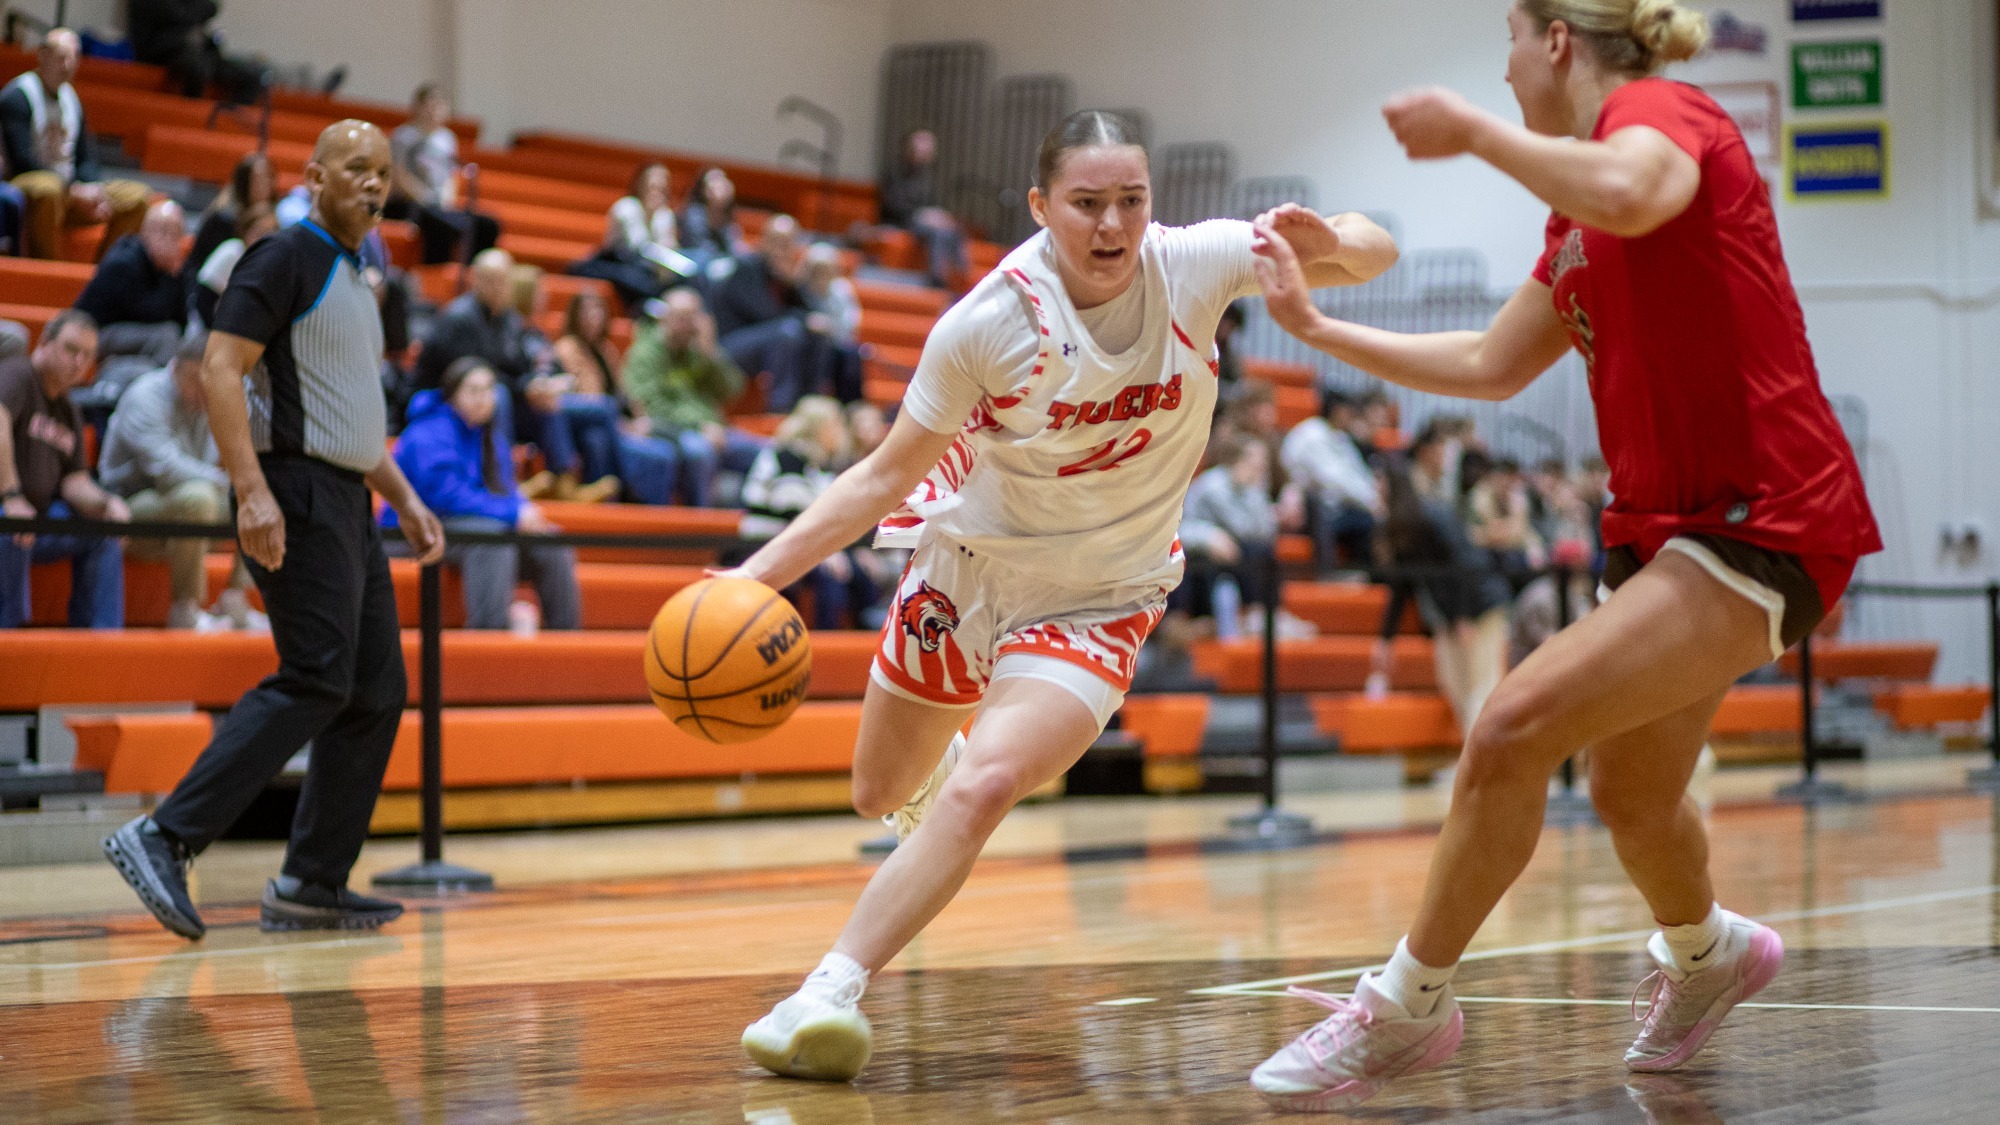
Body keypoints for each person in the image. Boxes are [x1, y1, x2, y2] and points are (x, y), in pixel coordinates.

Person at [1244, 1, 1882, 1108]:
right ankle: (1709, 952)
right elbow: (1493, 361)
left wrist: (1477, 137)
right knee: (1631, 796)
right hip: (1655, 528)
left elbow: (1637, 189)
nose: (1498, 72)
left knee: (1508, 724)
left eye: (1506, 39)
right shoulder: (1573, 204)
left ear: (1553, 41)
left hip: (1760, 516)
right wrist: (1317, 332)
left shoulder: (1660, 115)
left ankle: (1404, 1009)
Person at [727, 109, 1395, 1082]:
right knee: (877, 791)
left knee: (990, 782)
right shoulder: (988, 323)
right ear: (1042, 207)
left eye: (1129, 200)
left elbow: (1373, 250)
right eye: (1086, 204)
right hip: (967, 570)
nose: (1111, 224)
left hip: (1101, 594)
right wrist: (749, 581)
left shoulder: (1196, 263)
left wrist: (1331, 243)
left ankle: (823, 991)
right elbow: (876, 479)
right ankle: (941, 768)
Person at [102, 120, 447, 940]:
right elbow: (223, 366)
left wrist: (402, 493)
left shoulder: (360, 280)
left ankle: (311, 880)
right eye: (356, 168)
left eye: (384, 173)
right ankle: (163, 834)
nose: (372, 184)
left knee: (374, 688)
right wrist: (249, 489)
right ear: (315, 175)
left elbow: (351, 413)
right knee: (317, 674)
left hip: (347, 496)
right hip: (290, 488)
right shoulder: (284, 255)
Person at [387, 357, 580, 631]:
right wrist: (513, 513)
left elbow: (506, 490)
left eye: (489, 390)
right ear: (453, 395)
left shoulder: (491, 437)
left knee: (550, 543)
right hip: (412, 532)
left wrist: (525, 512)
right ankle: (488, 643)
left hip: (458, 529)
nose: (483, 398)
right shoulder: (429, 431)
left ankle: (566, 645)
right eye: (474, 390)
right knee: (490, 537)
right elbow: (445, 497)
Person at [416, 250, 616, 503]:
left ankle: (565, 483)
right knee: (496, 395)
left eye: (503, 281)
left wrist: (539, 385)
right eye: (492, 281)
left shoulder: (508, 319)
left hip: (502, 392)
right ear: (476, 281)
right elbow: (470, 376)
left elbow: (523, 364)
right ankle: (503, 482)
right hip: (447, 401)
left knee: (547, 405)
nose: (500, 288)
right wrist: (524, 389)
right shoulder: (459, 318)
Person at [99, 333, 261, 631]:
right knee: (198, 496)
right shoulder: (144, 395)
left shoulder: (213, 399)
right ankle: (185, 610)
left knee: (259, 501)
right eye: (196, 381)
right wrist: (227, 480)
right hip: (125, 508)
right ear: (176, 368)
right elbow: (167, 471)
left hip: (187, 505)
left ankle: (236, 599)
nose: (204, 390)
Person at [1366, 447, 1512, 727]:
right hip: (1450, 616)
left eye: (1379, 482)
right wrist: (1385, 640)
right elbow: (1400, 586)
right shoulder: (1398, 529)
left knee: (1481, 686)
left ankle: (1482, 764)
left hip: (1479, 607)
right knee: (1453, 683)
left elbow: (1463, 565)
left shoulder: (1431, 518)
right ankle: (1468, 760)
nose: (1376, 488)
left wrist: (1463, 615)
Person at [0, 309, 127, 628]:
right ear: (44, 343)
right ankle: (12, 639)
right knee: (14, 526)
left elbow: (75, 482)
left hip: (40, 517)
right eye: (71, 349)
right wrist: (11, 496)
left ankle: (101, 640)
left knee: (102, 533)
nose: (78, 362)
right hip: (7, 512)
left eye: (87, 356)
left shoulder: (69, 408)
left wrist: (106, 503)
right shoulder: (17, 373)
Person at [1, 29, 151, 261]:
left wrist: (92, 188)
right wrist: (73, 189)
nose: (68, 65)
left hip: (70, 190)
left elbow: (85, 157)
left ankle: (102, 275)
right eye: (62, 57)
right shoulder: (17, 96)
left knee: (137, 197)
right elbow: (22, 160)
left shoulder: (72, 99)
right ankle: (47, 270)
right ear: (42, 56)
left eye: (74, 57)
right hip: (29, 187)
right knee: (48, 189)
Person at [741, 396, 878, 629]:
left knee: (861, 572)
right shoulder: (787, 456)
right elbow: (794, 513)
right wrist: (826, 553)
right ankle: (824, 643)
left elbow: (833, 518)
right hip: (766, 541)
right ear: (819, 428)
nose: (840, 432)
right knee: (831, 575)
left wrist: (857, 550)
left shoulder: (819, 465)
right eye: (835, 425)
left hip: (798, 541)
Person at [622, 288, 766, 507]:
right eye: (681, 318)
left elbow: (733, 390)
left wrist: (710, 352)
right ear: (664, 319)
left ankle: (745, 522)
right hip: (671, 431)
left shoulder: (698, 351)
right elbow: (651, 407)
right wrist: (699, 426)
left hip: (712, 430)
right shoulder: (645, 354)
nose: (687, 325)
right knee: (699, 452)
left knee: (763, 453)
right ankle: (703, 525)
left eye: (693, 318)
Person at [549, 289, 679, 505]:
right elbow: (587, 400)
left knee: (663, 451)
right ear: (575, 316)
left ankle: (654, 521)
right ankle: (626, 487)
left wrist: (635, 421)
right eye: (587, 313)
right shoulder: (567, 349)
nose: (593, 318)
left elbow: (622, 396)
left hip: (614, 427)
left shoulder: (606, 350)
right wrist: (620, 425)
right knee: (603, 437)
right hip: (584, 426)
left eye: (598, 312)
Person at [705, 214, 825, 413]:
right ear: (764, 241)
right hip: (730, 345)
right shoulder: (745, 267)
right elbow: (764, 314)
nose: (782, 249)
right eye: (778, 242)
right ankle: (780, 409)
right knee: (788, 332)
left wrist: (793, 284)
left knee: (818, 336)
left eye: (788, 244)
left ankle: (808, 407)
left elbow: (812, 315)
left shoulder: (783, 276)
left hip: (767, 342)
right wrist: (802, 318)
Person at [1180, 436, 1284, 641]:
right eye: (1257, 458)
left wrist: (1255, 492)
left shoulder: (1252, 488)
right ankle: (1206, 619)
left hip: (1233, 552)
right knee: (1237, 555)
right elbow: (1183, 526)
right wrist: (1211, 537)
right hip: (1198, 552)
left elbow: (1265, 532)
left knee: (1262, 553)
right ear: (1239, 459)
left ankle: (1263, 614)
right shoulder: (1211, 485)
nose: (1262, 464)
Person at [386, 84, 499, 265]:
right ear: (417, 107)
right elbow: (399, 176)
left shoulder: (446, 139)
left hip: (437, 205)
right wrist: (427, 199)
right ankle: (434, 271)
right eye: (430, 106)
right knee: (438, 221)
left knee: (487, 224)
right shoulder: (403, 136)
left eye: (439, 106)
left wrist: (446, 203)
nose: (434, 112)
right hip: (408, 203)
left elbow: (450, 176)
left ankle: (471, 272)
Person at [1282, 388, 1383, 569]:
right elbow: (1334, 480)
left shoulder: (1340, 437)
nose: (1351, 417)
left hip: (1336, 507)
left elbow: (1358, 473)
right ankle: (1330, 574)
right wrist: (1371, 502)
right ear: (1337, 410)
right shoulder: (1311, 434)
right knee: (1366, 521)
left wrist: (1375, 500)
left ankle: (1365, 580)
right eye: (1348, 412)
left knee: (1373, 521)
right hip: (1308, 510)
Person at [572, 163, 691, 312]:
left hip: (647, 270)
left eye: (662, 189)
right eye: (652, 187)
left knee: (684, 283)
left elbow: (669, 252)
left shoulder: (665, 215)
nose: (657, 193)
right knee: (639, 280)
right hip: (618, 262)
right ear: (641, 186)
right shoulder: (627, 207)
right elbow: (638, 247)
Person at [879, 129, 970, 290]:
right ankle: (936, 278)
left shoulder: (926, 174)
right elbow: (893, 206)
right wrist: (922, 215)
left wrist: (937, 215)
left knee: (952, 227)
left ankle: (961, 274)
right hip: (901, 220)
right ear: (910, 147)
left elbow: (930, 202)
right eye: (922, 146)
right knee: (939, 232)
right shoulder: (895, 172)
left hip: (921, 219)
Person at [127, 0, 266, 103]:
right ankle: (189, 120)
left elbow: (211, 7)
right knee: (198, 68)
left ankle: (226, 124)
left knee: (252, 77)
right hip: (160, 54)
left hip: (199, 53)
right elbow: (179, 13)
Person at [186, 152, 276, 288]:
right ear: (244, 183)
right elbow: (205, 268)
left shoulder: (272, 217)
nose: (265, 185)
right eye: (258, 180)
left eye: (269, 178)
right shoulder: (224, 218)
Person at [190, 203, 278, 329]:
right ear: (246, 231)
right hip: (206, 329)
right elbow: (203, 300)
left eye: (270, 234)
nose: (264, 239)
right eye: (259, 233)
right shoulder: (232, 251)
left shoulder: (273, 263)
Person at [800, 242, 864, 403]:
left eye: (825, 271)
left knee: (851, 355)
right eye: (817, 271)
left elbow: (850, 328)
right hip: (806, 346)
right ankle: (811, 398)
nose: (821, 277)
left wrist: (828, 328)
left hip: (836, 345)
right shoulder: (799, 290)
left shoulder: (842, 291)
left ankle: (851, 406)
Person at [679, 167, 742, 264]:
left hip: (719, 266)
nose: (721, 185)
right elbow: (703, 250)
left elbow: (733, 248)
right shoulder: (694, 215)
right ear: (704, 190)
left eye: (723, 180)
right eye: (714, 182)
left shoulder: (729, 220)